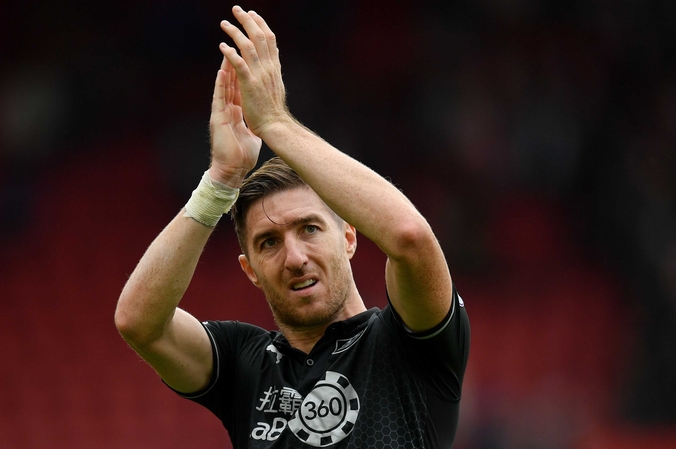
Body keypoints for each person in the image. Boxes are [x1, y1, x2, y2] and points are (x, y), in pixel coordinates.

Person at [114, 6, 469, 448]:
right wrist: (220, 183)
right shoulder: (245, 364)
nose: (295, 257)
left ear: (349, 237)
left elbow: (410, 238)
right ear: (250, 269)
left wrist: (276, 124)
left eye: (310, 229)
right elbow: (138, 322)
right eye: (268, 243)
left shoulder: (407, 343)